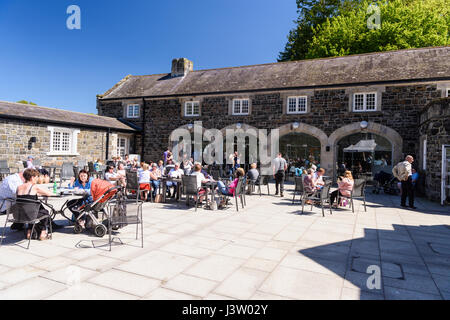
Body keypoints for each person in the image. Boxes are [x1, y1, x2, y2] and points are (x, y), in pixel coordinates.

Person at [16, 169, 54, 241]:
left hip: (20, 214)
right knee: (45, 213)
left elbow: (22, 198)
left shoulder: (18, 187)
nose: (37, 179)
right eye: (37, 177)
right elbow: (49, 193)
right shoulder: (34, 187)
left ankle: (29, 232)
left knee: (32, 210)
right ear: (32, 177)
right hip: (30, 215)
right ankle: (43, 234)